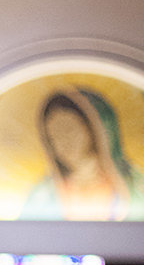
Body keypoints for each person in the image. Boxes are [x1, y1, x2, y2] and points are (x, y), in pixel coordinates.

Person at [23, 86, 144, 221]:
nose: (63, 141)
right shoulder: (43, 196)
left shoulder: (137, 188)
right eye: (53, 136)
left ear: (94, 129)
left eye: (69, 129)